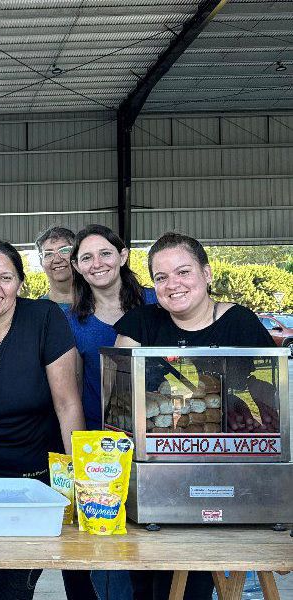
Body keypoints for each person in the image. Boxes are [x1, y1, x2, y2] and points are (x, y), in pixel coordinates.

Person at [114, 232, 275, 600]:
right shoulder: (142, 322)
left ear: (206, 273)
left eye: (183, 272)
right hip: (156, 474)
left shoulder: (241, 324)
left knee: (207, 581)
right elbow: (122, 393)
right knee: (152, 582)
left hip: (232, 477)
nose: (173, 284)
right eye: (161, 277)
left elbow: (269, 401)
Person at [0, 239, 84, 600]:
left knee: (12, 588)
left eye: (5, 277)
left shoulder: (44, 318)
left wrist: (78, 485)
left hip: (38, 485)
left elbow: (67, 405)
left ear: (20, 284)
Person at [66, 224, 156, 429]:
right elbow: (75, 390)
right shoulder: (71, 321)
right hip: (102, 435)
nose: (97, 264)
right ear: (77, 266)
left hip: (162, 426)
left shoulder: (157, 302)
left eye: (105, 253)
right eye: (87, 258)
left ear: (123, 256)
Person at [35, 226, 75, 309]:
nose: (57, 260)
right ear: (41, 263)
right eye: (48, 254)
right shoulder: (37, 310)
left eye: (64, 250)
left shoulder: (100, 302)